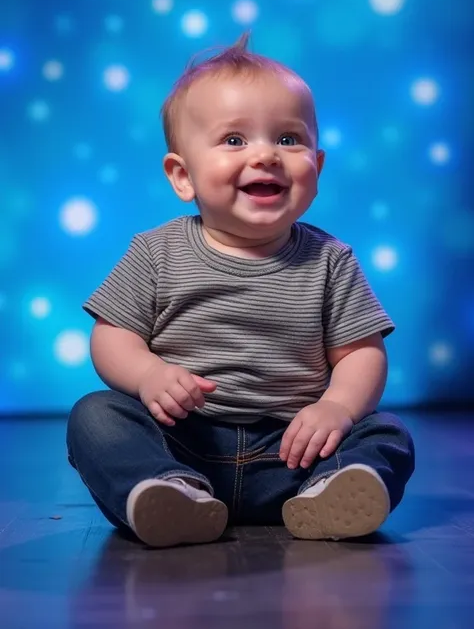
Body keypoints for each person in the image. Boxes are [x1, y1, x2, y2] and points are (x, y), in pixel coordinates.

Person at [67, 33, 415, 548]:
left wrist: (336, 408)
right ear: (182, 176)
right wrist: (149, 375)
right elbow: (111, 336)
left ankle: (328, 493)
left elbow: (362, 353)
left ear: (316, 169)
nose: (266, 156)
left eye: (288, 139)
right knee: (95, 416)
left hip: (294, 451)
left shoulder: (330, 260)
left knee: (387, 433)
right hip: (185, 441)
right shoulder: (156, 252)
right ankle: (166, 491)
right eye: (235, 141)